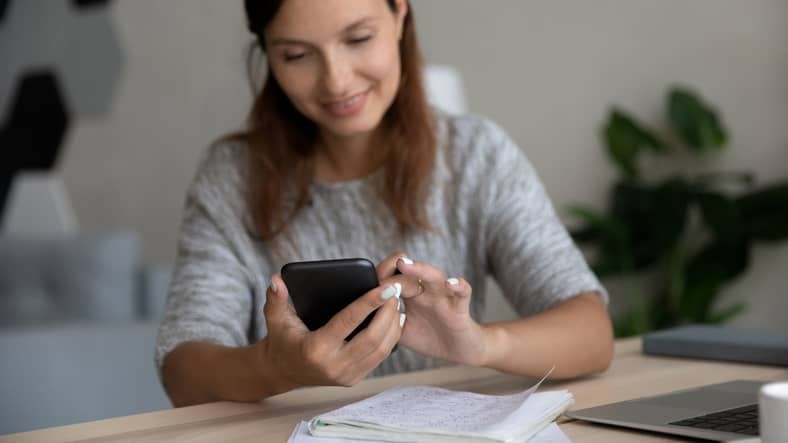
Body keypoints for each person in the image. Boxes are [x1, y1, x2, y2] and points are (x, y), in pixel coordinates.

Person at [156, 0, 614, 407]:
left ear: (400, 14)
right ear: (267, 53)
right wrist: (277, 367)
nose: (336, 81)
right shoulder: (233, 175)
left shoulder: (477, 156)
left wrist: (478, 343)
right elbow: (183, 372)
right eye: (296, 54)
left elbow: (592, 333)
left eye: (358, 39)